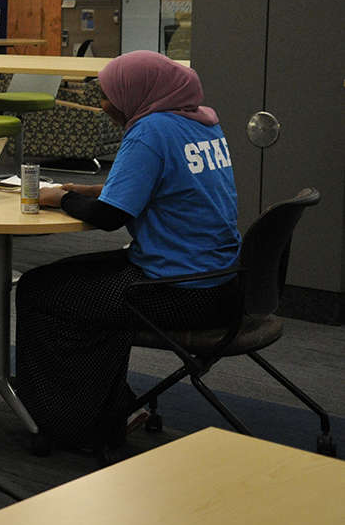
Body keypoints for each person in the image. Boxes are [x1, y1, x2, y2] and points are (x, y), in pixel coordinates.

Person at [15, 50, 241, 451]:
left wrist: (57, 199)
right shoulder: (201, 123)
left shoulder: (150, 130)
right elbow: (162, 187)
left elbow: (107, 217)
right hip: (222, 283)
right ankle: (110, 405)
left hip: (178, 291)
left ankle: (75, 423)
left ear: (137, 93)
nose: (103, 106)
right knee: (71, 282)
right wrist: (87, 190)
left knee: (38, 291)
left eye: (108, 96)